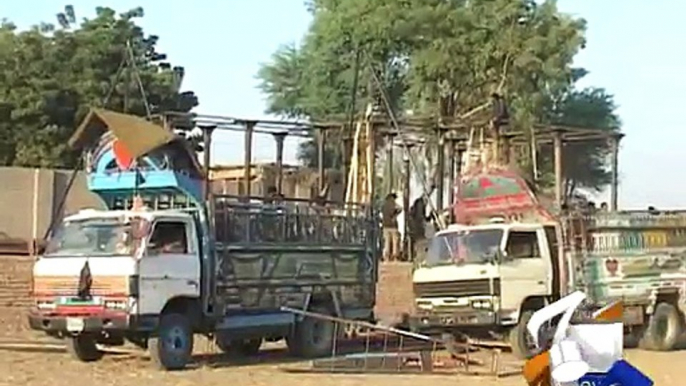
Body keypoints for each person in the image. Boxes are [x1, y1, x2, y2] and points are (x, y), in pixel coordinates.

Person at [381, 193, 401, 262]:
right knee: (394, 242)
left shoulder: (384, 205)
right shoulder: (393, 204)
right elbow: (400, 208)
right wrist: (396, 214)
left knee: (386, 242)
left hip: (385, 225)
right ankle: (395, 256)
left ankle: (386, 257)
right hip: (393, 226)